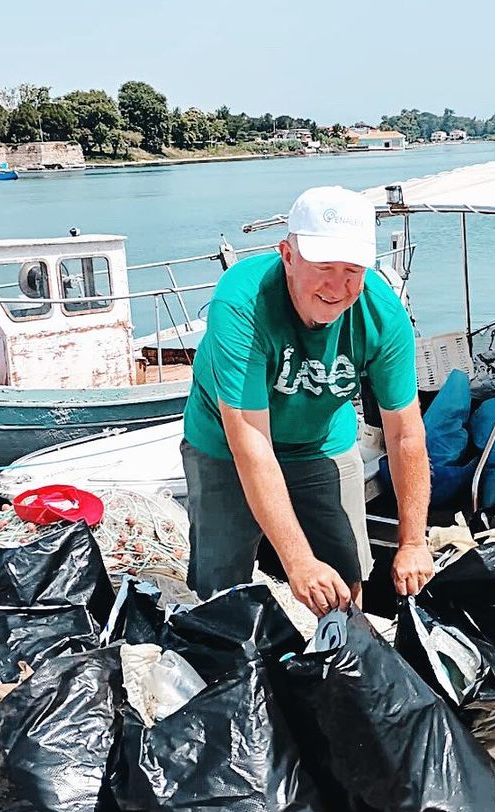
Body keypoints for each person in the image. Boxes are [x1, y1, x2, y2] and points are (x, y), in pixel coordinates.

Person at [180, 185, 434, 616]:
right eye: (323, 266)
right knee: (222, 587)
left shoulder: (382, 314)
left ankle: (343, 662)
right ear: (288, 255)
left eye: (353, 269)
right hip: (226, 443)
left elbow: (405, 433)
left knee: (345, 579)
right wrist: (297, 561)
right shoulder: (241, 301)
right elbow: (251, 444)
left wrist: (413, 542)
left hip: (320, 439)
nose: (337, 286)